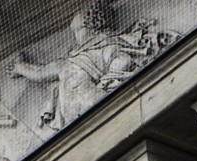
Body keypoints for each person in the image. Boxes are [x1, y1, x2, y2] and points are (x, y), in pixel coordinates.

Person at [11, 3, 175, 129]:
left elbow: (122, 61)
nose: (75, 37)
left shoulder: (105, 45)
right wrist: (19, 67)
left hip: (94, 104)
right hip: (74, 120)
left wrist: (107, 83)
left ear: (88, 24)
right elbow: (40, 72)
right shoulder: (69, 61)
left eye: (77, 30)